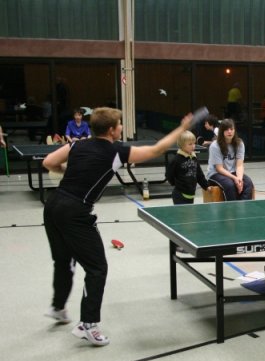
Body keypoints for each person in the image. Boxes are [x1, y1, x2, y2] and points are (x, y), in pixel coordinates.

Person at [41, 107, 196, 346]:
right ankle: (88, 325)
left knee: (63, 260)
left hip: (53, 206)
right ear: (112, 130)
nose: (122, 127)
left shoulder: (77, 145)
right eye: (120, 124)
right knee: (97, 268)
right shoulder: (116, 151)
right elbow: (156, 149)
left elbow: (48, 162)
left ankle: (58, 307)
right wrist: (182, 128)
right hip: (76, 212)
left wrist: (65, 171)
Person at [207, 118, 254, 201]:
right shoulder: (215, 146)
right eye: (226, 130)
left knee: (248, 183)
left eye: (231, 129)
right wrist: (235, 178)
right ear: (222, 131)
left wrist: (239, 179)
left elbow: (239, 165)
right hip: (215, 174)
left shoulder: (239, 144)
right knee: (230, 185)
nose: (229, 132)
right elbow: (219, 168)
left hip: (233, 172)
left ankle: (244, 207)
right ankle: (232, 207)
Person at [166, 130, 213, 204]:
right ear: (182, 145)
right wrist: (177, 184)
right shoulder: (176, 159)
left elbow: (199, 174)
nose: (193, 146)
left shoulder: (194, 158)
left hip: (191, 195)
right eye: (190, 144)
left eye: (194, 143)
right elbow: (169, 174)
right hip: (179, 195)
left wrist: (206, 186)